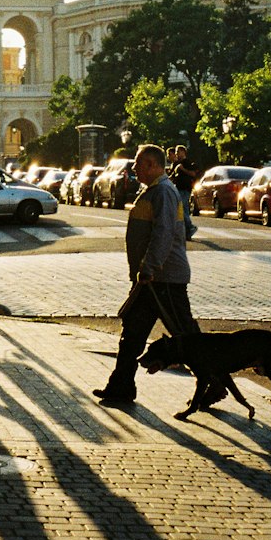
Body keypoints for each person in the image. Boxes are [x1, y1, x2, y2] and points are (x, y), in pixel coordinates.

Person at [93, 143, 198, 407]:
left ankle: (214, 384)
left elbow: (163, 233)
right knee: (132, 334)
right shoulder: (154, 191)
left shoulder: (162, 192)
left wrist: (149, 267)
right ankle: (120, 387)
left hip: (163, 279)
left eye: (139, 164)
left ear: (152, 165)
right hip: (150, 280)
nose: (135, 169)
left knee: (186, 338)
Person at [171, 144, 199, 238]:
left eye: (178, 151)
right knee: (177, 210)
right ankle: (184, 231)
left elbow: (193, 173)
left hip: (185, 189)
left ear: (183, 152)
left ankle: (190, 227)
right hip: (177, 188)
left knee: (183, 209)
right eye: (175, 152)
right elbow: (172, 176)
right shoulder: (176, 164)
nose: (176, 154)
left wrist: (183, 169)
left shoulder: (187, 162)